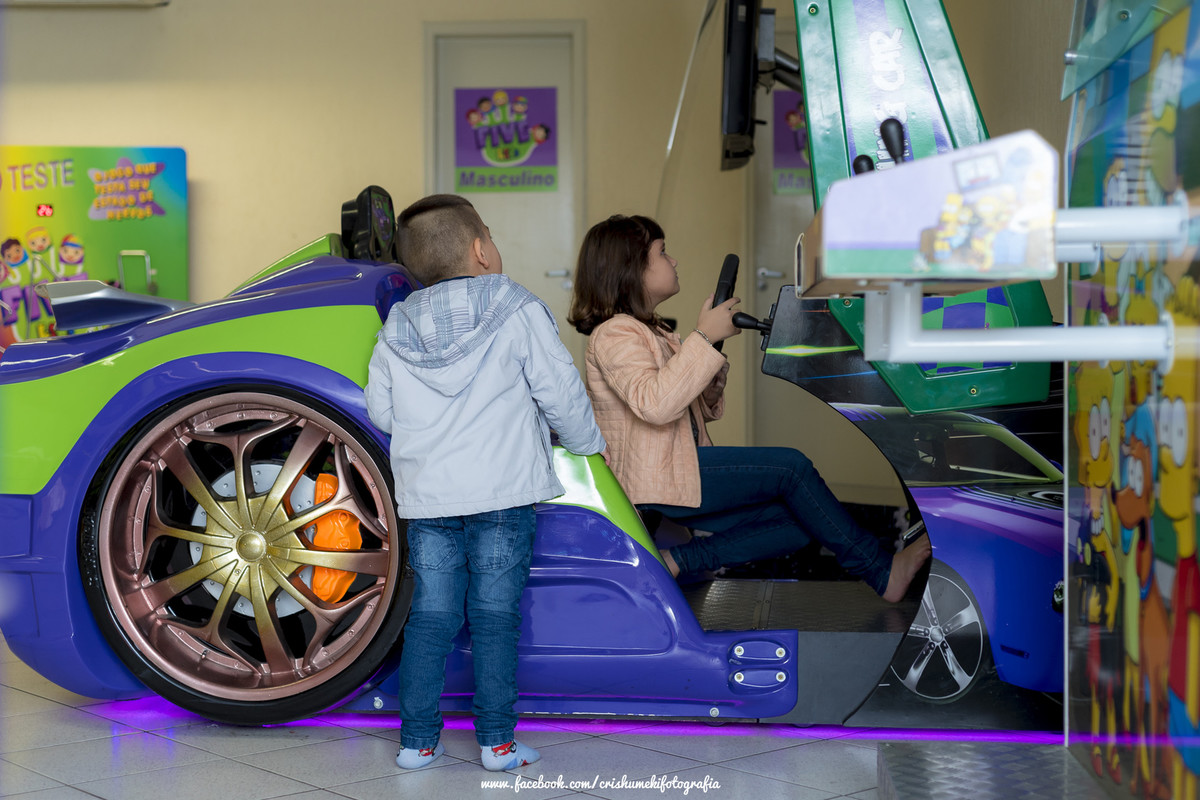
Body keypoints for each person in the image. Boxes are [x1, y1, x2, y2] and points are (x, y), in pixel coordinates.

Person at [567, 213, 930, 603]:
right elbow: (655, 405)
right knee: (791, 468)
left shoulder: (652, 330)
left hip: (676, 467)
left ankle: (674, 561)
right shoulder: (615, 332)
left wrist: (709, 349)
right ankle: (880, 571)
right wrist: (703, 337)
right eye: (663, 252)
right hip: (654, 476)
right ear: (632, 268)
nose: (674, 261)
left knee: (802, 519)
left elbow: (694, 405)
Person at [365, 194, 607, 771]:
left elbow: (382, 410)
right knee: (495, 618)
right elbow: (559, 389)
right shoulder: (515, 306)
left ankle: (417, 743)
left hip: (429, 500)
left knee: (431, 617)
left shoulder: (398, 324)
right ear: (480, 249)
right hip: (501, 495)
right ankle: (497, 743)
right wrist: (588, 445)